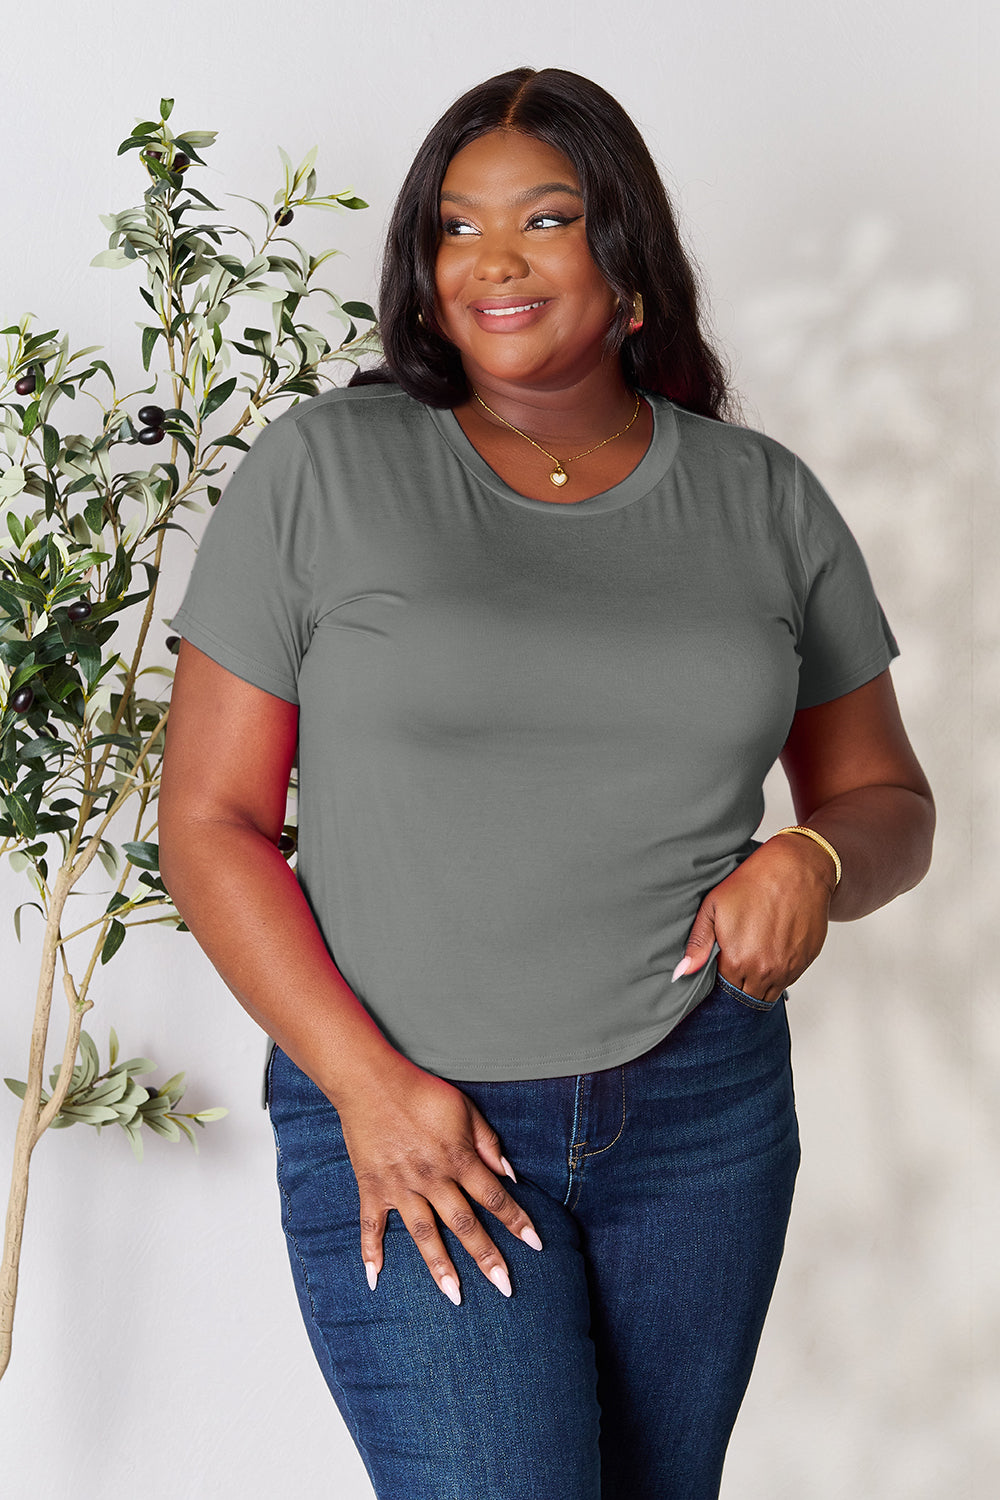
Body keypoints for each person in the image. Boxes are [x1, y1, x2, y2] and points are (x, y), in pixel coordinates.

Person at [159, 66, 935, 1500]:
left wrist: (809, 864)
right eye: (457, 229)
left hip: (698, 1112)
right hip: (406, 1110)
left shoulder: (762, 500)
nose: (494, 260)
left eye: (547, 218)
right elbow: (207, 824)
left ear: (628, 259)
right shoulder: (325, 469)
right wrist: (367, 1090)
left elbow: (888, 799)